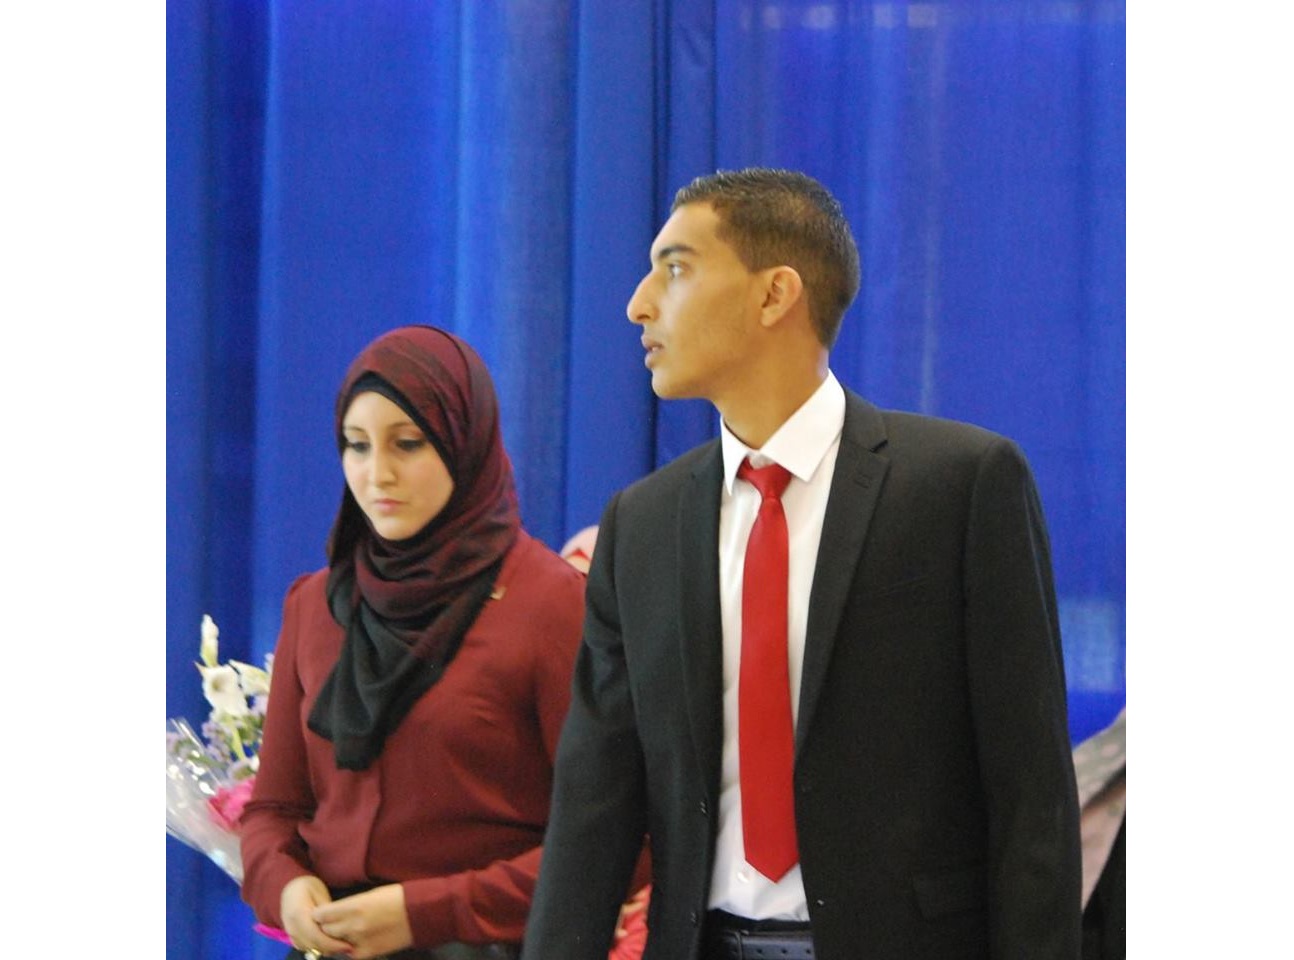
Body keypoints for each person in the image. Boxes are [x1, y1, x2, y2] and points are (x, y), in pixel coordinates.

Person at [522, 168, 1082, 960]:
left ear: (774, 294)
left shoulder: (961, 486)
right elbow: (593, 810)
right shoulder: (640, 526)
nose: (638, 304)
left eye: (675, 268)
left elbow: (1032, 799)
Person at [240, 325, 587, 960]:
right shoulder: (315, 605)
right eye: (356, 445)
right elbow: (274, 810)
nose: (377, 474)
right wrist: (285, 888)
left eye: (408, 443)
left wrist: (422, 914)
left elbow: (609, 844)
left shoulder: (549, 604)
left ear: (464, 441)